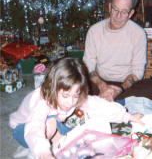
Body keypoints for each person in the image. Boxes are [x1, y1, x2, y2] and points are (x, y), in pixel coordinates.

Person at [9, 57, 143, 159]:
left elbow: (98, 105)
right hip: (24, 128)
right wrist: (43, 153)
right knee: (50, 124)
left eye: (75, 95)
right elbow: (34, 127)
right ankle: (42, 149)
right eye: (66, 96)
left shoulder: (73, 98)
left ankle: (57, 141)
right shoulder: (41, 101)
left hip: (56, 120)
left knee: (80, 126)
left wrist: (128, 117)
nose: (70, 102)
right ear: (53, 87)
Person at [83, 0, 152, 102]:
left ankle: (104, 101)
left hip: (125, 86)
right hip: (99, 82)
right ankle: (116, 102)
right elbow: (88, 67)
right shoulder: (94, 31)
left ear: (131, 13)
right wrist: (102, 86)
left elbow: (137, 71)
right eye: (115, 9)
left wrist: (119, 89)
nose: (118, 16)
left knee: (151, 87)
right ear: (109, 7)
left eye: (124, 12)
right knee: (78, 84)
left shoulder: (138, 33)